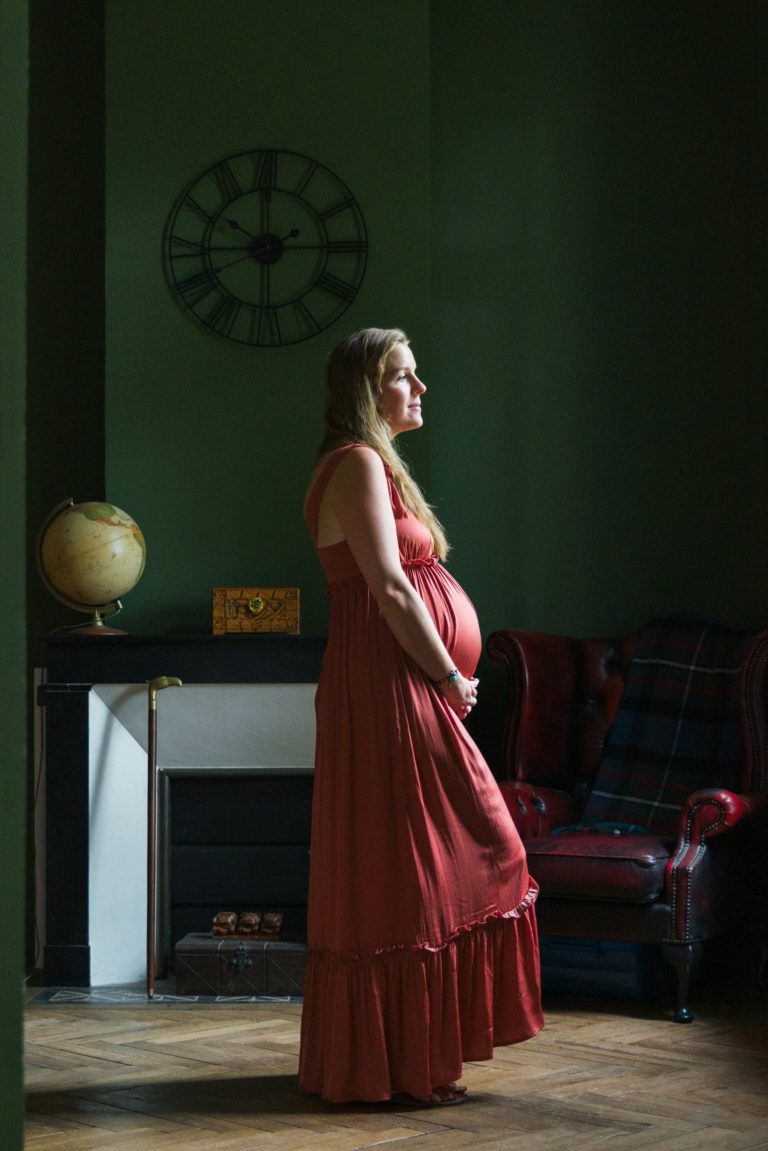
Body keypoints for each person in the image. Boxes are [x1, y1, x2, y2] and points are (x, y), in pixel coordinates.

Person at [298, 327, 543, 1106]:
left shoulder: (374, 465)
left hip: (398, 679)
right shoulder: (357, 463)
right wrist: (448, 675)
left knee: (414, 867)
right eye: (406, 376)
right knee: (434, 861)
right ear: (369, 390)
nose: (422, 387)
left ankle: (415, 1059)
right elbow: (391, 590)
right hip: (390, 682)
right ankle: (399, 1062)